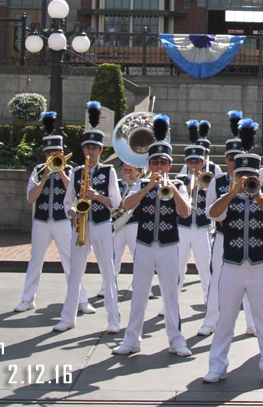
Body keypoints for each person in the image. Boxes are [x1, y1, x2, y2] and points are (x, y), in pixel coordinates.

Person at [203, 118, 263, 385]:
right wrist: (232, 192)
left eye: (250, 177)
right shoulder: (227, 197)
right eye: (241, 175)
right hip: (232, 266)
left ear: (259, 177)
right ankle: (217, 366)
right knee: (226, 318)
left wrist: (258, 196)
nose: (246, 180)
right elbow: (212, 214)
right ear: (234, 176)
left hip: (259, 267)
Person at [114, 114, 192, 356]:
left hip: (169, 246)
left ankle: (176, 340)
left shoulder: (178, 185)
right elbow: (126, 205)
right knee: (139, 293)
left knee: (170, 294)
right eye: (155, 162)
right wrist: (149, 185)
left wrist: (171, 188)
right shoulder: (140, 185)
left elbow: (186, 212)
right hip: (145, 244)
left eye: (163, 163)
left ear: (170, 165)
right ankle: (131, 340)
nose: (159, 167)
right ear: (149, 164)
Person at [53, 102, 121, 333]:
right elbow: (67, 202)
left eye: (95, 148)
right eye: (87, 147)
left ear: (102, 150)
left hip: (101, 223)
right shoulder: (76, 172)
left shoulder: (108, 171)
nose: (90, 151)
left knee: (108, 272)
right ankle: (68, 317)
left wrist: (96, 196)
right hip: (81, 225)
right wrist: (72, 212)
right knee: (74, 272)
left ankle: (113, 319)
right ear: (83, 150)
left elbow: (116, 203)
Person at [14, 112, 89, 314]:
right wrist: (46, 176)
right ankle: (28, 299)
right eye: (49, 154)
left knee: (70, 260)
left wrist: (61, 172)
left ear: (63, 153)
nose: (52, 156)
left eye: (56, 153)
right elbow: (31, 197)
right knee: (35, 260)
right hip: (41, 220)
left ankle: (80, 300)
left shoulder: (71, 171)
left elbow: (73, 194)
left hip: (63, 220)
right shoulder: (38, 170)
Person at [198, 111, 255, 337]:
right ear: (226, 160)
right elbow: (211, 212)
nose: (235, 163)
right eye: (232, 159)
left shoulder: (253, 181)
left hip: (248, 237)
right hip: (223, 236)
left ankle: (252, 322)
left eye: (239, 159)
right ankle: (211, 320)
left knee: (251, 280)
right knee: (216, 279)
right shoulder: (218, 181)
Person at [175, 121, 213, 303]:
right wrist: (190, 185)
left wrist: (205, 187)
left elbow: (215, 200)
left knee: (204, 266)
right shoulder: (180, 178)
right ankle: (172, 299)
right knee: (178, 266)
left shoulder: (210, 177)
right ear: (186, 162)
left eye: (197, 161)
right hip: (182, 226)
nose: (194, 165)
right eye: (190, 161)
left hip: (201, 226)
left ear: (202, 162)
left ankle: (209, 299)